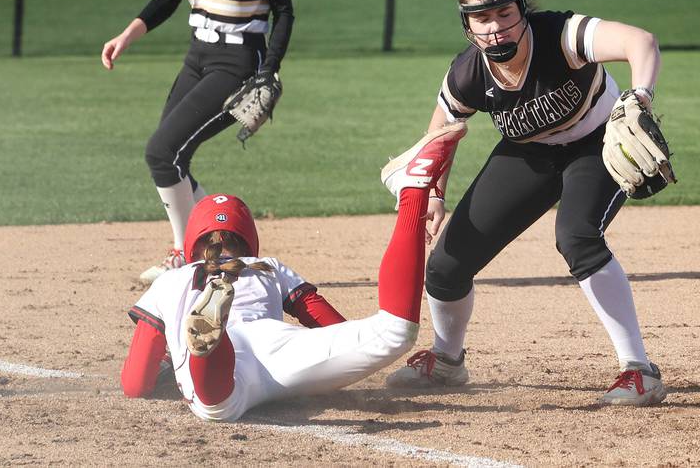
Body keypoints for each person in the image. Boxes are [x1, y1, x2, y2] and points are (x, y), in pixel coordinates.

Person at [385, 0, 667, 406]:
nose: (496, 27)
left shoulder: (560, 34)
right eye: (482, 18)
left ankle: (639, 372)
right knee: (445, 266)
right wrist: (436, 195)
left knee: (577, 236)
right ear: (468, 26)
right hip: (528, 153)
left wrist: (639, 96)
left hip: (596, 143)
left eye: (504, 12)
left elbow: (640, 41)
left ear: (522, 10)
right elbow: (442, 130)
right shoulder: (469, 73)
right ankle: (446, 360)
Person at [120, 122, 468, 422]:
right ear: (248, 238)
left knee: (218, 405)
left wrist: (164, 368)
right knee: (393, 333)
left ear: (194, 244)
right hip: (279, 346)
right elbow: (331, 325)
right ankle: (414, 190)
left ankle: (211, 345)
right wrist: (339, 358)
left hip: (233, 364)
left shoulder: (171, 280)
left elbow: (136, 382)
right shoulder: (266, 266)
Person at [101, 0, 295, 284]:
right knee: (172, 159)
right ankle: (218, 243)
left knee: (162, 153)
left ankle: (184, 254)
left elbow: (284, 11)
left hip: (239, 61)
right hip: (197, 57)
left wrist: (269, 69)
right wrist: (126, 36)